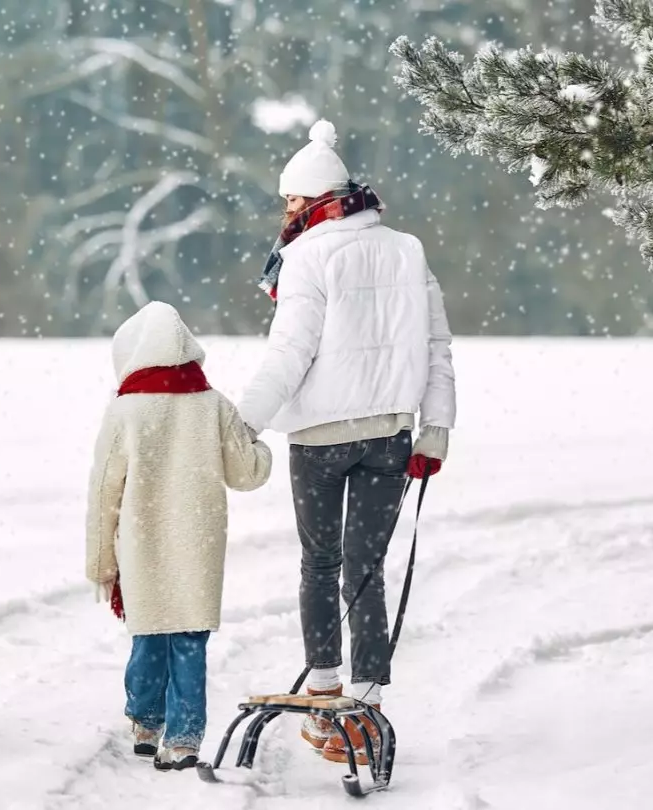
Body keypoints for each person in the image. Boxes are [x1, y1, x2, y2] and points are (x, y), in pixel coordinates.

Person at [237, 119, 457, 765]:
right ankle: (367, 707)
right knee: (366, 571)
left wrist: (241, 422)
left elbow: (291, 351)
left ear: (311, 200)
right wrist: (435, 429)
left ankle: (328, 700)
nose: (285, 212)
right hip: (391, 435)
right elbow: (437, 347)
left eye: (290, 201)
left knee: (320, 565)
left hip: (320, 440)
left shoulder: (306, 256)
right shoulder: (408, 249)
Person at [85, 301, 273, 771]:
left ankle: (146, 722)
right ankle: (184, 739)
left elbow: (104, 490)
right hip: (199, 541)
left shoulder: (125, 410)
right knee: (189, 639)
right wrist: (262, 449)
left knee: (148, 632)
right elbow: (246, 473)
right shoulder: (214, 405)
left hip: (142, 543)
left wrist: (100, 562)